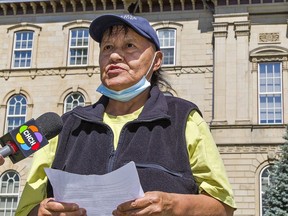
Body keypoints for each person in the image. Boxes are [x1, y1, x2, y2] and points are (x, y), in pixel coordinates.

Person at [16, 14, 236, 216]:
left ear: (156, 60)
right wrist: (41, 212)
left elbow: (223, 207)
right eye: (107, 47)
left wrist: (173, 205)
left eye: (129, 46)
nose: (113, 55)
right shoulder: (63, 126)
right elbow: (25, 210)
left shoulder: (184, 118)